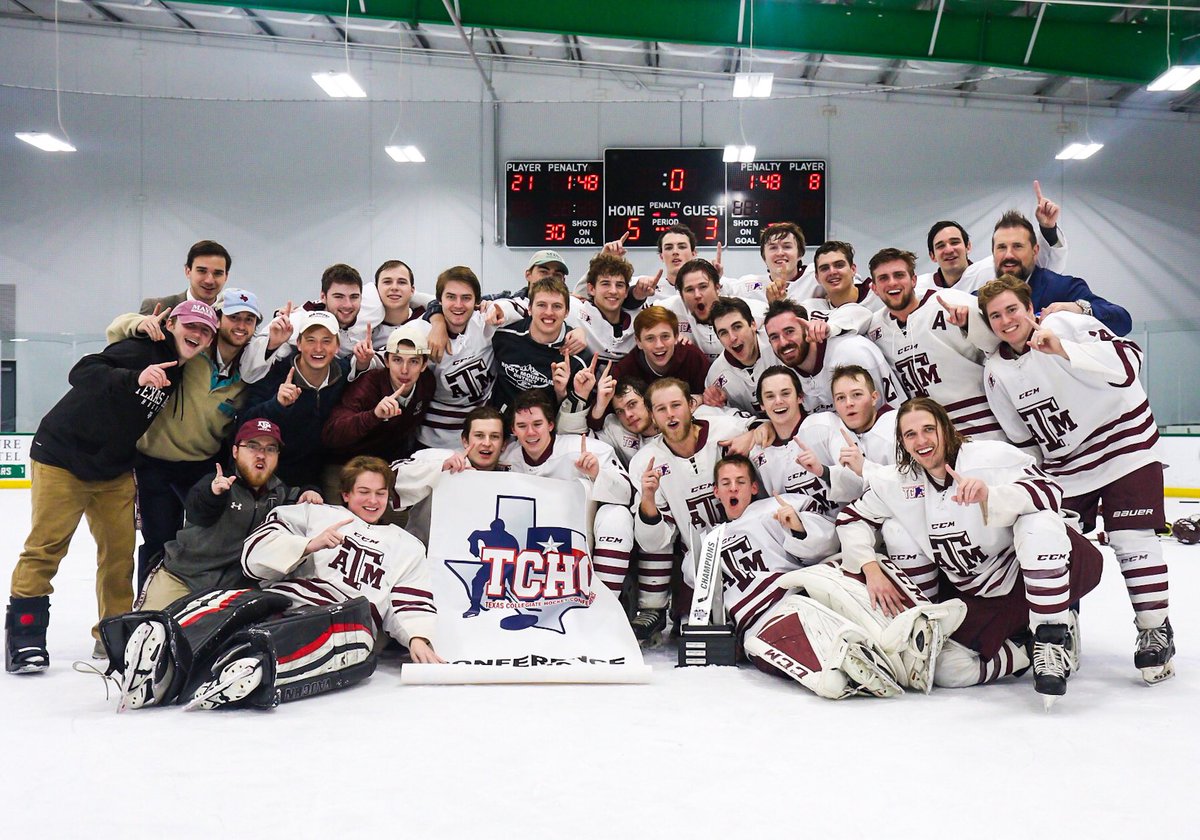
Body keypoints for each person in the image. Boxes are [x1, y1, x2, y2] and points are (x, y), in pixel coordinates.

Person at [103, 456, 443, 711]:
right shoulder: (317, 514)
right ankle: (166, 652)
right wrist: (306, 545)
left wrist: (416, 635)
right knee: (239, 601)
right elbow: (255, 552)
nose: (372, 501)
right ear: (345, 494)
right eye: (363, 492)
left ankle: (257, 664)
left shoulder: (406, 545)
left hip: (347, 619)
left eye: (380, 494)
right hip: (290, 596)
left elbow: (409, 598)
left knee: (343, 629)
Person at [836, 397, 1104, 706]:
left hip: (1028, 576)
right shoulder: (900, 482)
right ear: (902, 442)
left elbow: (1049, 493)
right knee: (942, 670)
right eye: (910, 434)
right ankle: (1027, 652)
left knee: (1039, 523)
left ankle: (1051, 636)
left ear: (946, 429)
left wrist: (992, 495)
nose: (921, 441)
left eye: (928, 429)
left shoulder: (988, 458)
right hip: (979, 595)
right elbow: (851, 518)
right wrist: (870, 568)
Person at [979, 275, 1174, 683]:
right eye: (995, 315)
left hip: (1125, 445)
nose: (1005, 320)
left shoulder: (1065, 325)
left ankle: (1155, 629)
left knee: (1131, 538)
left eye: (1012, 309)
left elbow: (1128, 364)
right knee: (1051, 543)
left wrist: (1063, 349)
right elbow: (1020, 437)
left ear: (1029, 308)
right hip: (1066, 468)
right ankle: (1063, 635)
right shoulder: (995, 371)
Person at [6, 301, 218, 673]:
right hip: (63, 458)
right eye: (190, 326)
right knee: (46, 547)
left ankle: (113, 637)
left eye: (205, 331)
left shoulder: (183, 371)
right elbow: (83, 370)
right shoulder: (142, 349)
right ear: (171, 325)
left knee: (118, 555)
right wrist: (135, 376)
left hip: (115, 469)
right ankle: (25, 638)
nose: (197, 335)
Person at [711, 455, 960, 697]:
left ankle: (917, 623)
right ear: (716, 491)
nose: (734, 488)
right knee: (764, 644)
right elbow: (700, 598)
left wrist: (798, 526)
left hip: (798, 587)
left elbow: (829, 542)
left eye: (740, 482)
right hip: (758, 618)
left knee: (852, 567)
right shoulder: (706, 543)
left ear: (754, 487)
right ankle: (857, 666)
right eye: (726, 483)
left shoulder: (776, 506)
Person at [109, 287, 268, 589]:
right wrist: (139, 323)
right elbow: (115, 333)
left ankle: (198, 607)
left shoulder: (250, 374)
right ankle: (150, 609)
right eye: (234, 317)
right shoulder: (188, 351)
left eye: (249, 320)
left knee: (206, 538)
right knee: (159, 540)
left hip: (202, 468)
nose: (241, 325)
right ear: (219, 319)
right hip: (154, 465)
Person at [628, 378, 764, 644]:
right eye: (661, 409)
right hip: (696, 558)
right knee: (691, 634)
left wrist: (754, 434)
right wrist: (648, 498)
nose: (670, 414)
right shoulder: (644, 463)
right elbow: (652, 542)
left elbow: (766, 428)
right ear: (652, 416)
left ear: (691, 405)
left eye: (676, 405)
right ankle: (657, 606)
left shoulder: (722, 427)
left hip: (750, 543)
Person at [138, 419, 322, 610]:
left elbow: (296, 496)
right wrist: (214, 493)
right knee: (151, 632)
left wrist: (309, 491)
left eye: (270, 449)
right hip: (182, 578)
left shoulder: (279, 493)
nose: (261, 455)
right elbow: (198, 507)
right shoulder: (217, 483)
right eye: (252, 446)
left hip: (232, 592)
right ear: (235, 451)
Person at [500, 392, 635, 597]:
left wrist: (597, 473)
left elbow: (627, 495)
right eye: (522, 426)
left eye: (537, 424)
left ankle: (605, 602)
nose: (530, 432)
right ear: (513, 430)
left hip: (580, 546)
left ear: (551, 425)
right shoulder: (505, 458)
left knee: (617, 516)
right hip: (526, 554)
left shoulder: (588, 450)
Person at [863, 247, 1003, 439]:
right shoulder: (874, 327)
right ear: (874, 288)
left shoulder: (950, 301)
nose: (892, 283)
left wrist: (971, 324)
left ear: (914, 280)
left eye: (899, 275)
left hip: (982, 425)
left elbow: (998, 346)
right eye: (883, 278)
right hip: (931, 434)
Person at [240, 310, 346, 489]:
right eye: (310, 340)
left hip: (314, 479)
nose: (318, 348)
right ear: (298, 343)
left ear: (337, 347)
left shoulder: (344, 373)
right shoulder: (274, 373)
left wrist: (364, 364)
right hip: (269, 476)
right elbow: (244, 424)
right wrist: (277, 405)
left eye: (326, 341)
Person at [991, 210, 1131, 335]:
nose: (1008, 255)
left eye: (1017, 246)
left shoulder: (1061, 288)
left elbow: (1123, 322)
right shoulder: (983, 297)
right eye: (1001, 247)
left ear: (1035, 251)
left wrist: (1079, 308)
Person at [918, 182, 1068, 294]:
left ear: (968, 246)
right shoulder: (921, 287)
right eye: (940, 246)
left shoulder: (994, 268)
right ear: (932, 256)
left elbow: (1046, 264)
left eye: (955, 242)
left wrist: (1048, 228)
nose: (949, 249)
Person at [415, 267, 507, 449]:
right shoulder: (420, 332)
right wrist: (436, 320)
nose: (458, 304)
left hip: (481, 436)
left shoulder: (485, 322)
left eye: (466, 298)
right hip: (432, 439)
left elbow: (526, 304)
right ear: (439, 300)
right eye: (451, 297)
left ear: (477, 302)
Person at [764, 299, 903, 414]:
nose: (783, 342)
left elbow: (892, 412)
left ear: (807, 329)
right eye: (774, 337)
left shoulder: (853, 352)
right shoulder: (784, 376)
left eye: (789, 331)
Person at [323, 323, 435, 466]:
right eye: (397, 360)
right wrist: (374, 415)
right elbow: (331, 433)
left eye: (413, 361)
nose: (405, 370)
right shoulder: (369, 385)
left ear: (424, 365)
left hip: (391, 464)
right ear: (386, 361)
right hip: (347, 463)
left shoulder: (427, 383)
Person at [490, 277, 594, 420]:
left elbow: (570, 422)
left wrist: (561, 393)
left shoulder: (578, 358)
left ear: (567, 312)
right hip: (500, 428)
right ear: (530, 308)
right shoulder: (504, 336)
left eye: (557, 306)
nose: (549, 312)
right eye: (541, 305)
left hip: (546, 435)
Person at [662, 258, 767, 361]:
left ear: (717, 288)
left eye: (703, 286)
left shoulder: (751, 311)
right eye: (689, 289)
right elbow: (646, 320)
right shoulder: (672, 308)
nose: (697, 295)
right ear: (681, 295)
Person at [610, 305, 710, 396]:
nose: (659, 345)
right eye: (650, 338)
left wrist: (701, 399)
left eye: (665, 336)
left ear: (676, 337)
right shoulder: (625, 370)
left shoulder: (693, 358)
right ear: (639, 342)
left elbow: (710, 399)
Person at [703, 296, 777, 412]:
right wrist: (718, 404)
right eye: (723, 333)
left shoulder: (776, 345)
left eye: (737, 327)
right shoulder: (715, 376)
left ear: (753, 324)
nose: (732, 338)